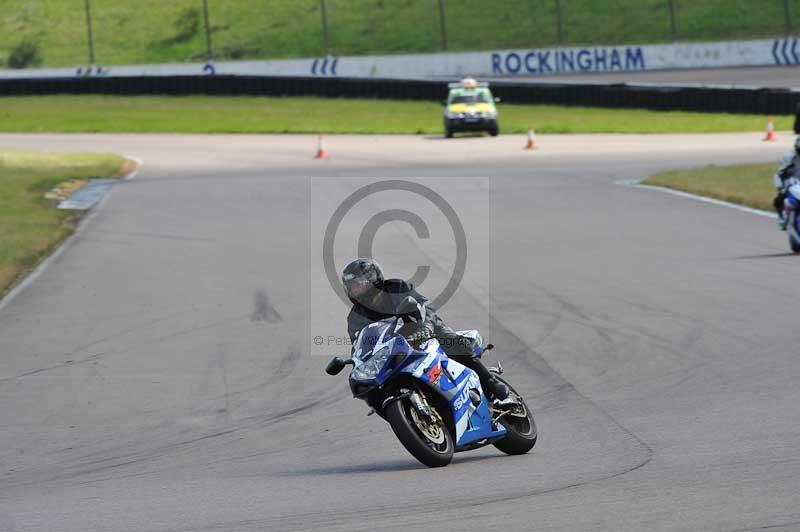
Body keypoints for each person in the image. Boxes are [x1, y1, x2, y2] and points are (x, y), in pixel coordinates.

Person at [342, 257, 509, 400]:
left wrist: (425, 327)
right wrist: (358, 362)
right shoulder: (355, 316)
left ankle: (490, 381)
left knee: (452, 341)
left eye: (358, 285)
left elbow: (421, 305)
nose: (355, 290)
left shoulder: (395, 287)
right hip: (394, 347)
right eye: (352, 287)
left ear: (372, 279)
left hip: (421, 327)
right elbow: (359, 343)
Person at [772, 136, 800, 230]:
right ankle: (782, 218)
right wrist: (781, 187)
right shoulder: (790, 157)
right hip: (794, 184)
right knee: (779, 199)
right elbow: (779, 173)